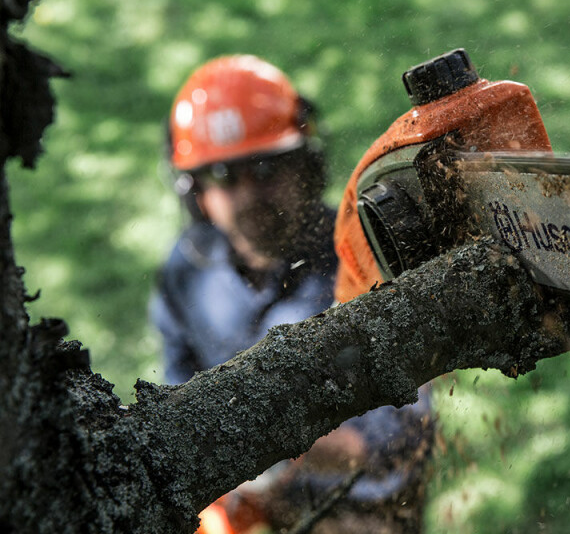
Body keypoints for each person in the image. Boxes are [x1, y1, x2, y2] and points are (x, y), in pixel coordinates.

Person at [150, 55, 432, 534]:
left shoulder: (363, 262)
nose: (248, 194)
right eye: (223, 175)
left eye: (265, 168)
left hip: (363, 504)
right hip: (255, 499)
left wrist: (263, 447)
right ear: (193, 191)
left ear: (307, 164)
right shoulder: (186, 274)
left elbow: (397, 439)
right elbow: (176, 384)